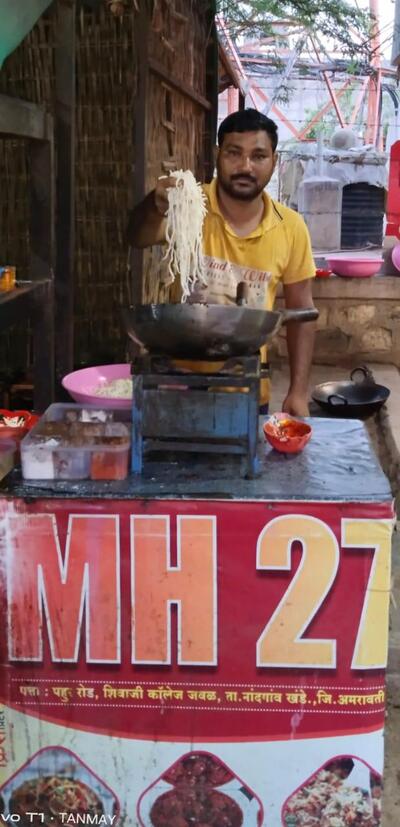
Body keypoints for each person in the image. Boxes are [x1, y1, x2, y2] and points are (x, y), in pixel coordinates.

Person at [128, 108, 316, 415]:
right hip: (177, 381)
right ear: (218, 155)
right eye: (233, 153)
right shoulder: (188, 203)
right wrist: (155, 205)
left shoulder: (291, 227)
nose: (245, 166)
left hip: (246, 386)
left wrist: (298, 391)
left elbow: (302, 313)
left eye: (258, 156)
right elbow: (137, 237)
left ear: (274, 161)